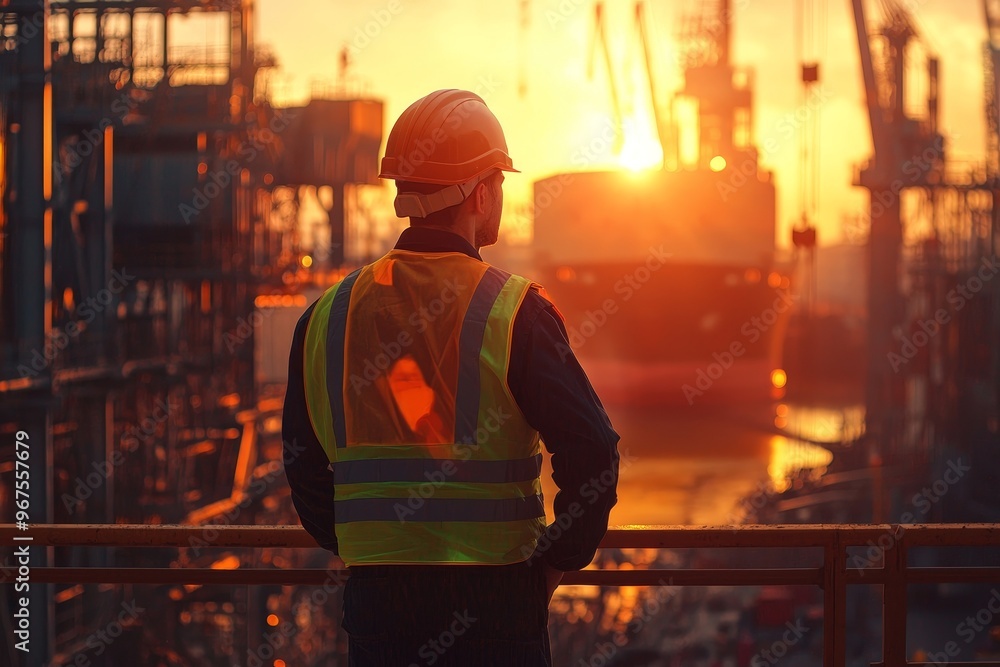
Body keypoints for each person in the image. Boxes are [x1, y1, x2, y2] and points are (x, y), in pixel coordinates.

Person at [282, 88, 620, 666]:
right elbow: (594, 453)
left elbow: (302, 465)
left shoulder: (326, 316)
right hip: (496, 606)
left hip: (379, 609)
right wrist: (550, 567)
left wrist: (372, 551)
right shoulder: (514, 312)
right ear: (482, 192)